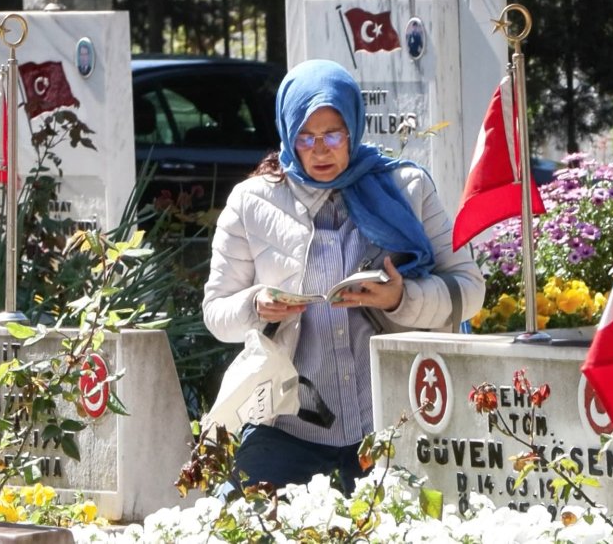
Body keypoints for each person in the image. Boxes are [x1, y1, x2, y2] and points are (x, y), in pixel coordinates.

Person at [202, 59, 485, 495]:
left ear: (353, 129)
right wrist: (256, 304)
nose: (320, 150)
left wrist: (399, 297)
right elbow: (217, 313)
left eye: (333, 134)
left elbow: (469, 290)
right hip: (288, 425)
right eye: (306, 136)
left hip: (391, 422)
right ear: (287, 133)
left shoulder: (407, 188)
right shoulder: (251, 201)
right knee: (233, 516)